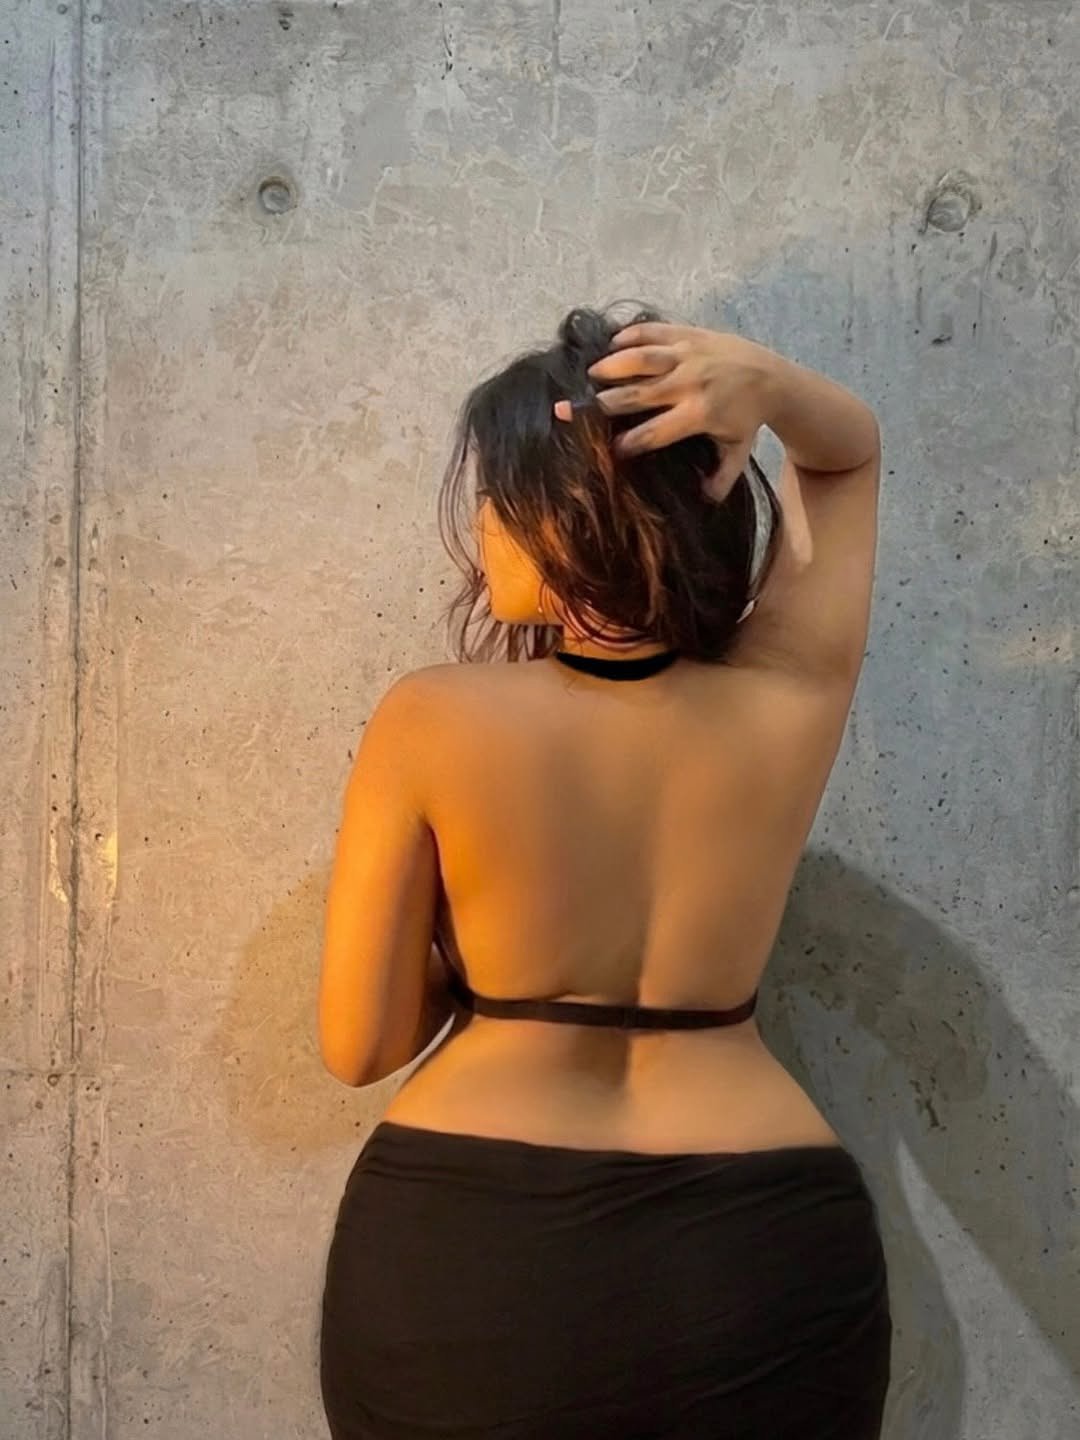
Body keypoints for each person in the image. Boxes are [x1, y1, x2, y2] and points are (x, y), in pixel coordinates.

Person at [317, 303, 891, 1438]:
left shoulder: (430, 720)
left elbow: (360, 1044)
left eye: (498, 495)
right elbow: (848, 456)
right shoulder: (788, 701)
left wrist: (488, 945)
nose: (481, 525)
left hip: (472, 1252)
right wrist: (769, 386)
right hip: (760, 1254)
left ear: (562, 513)